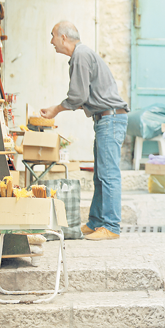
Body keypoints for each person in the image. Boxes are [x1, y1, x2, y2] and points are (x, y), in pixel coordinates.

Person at [40, 21, 129, 241]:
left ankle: (111, 226)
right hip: (106, 119)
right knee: (100, 174)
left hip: (110, 119)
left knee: (108, 175)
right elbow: (85, 96)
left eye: (52, 36)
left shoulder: (80, 55)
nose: (51, 41)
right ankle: (96, 222)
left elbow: (77, 96)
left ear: (63, 37)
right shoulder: (81, 55)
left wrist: (56, 109)